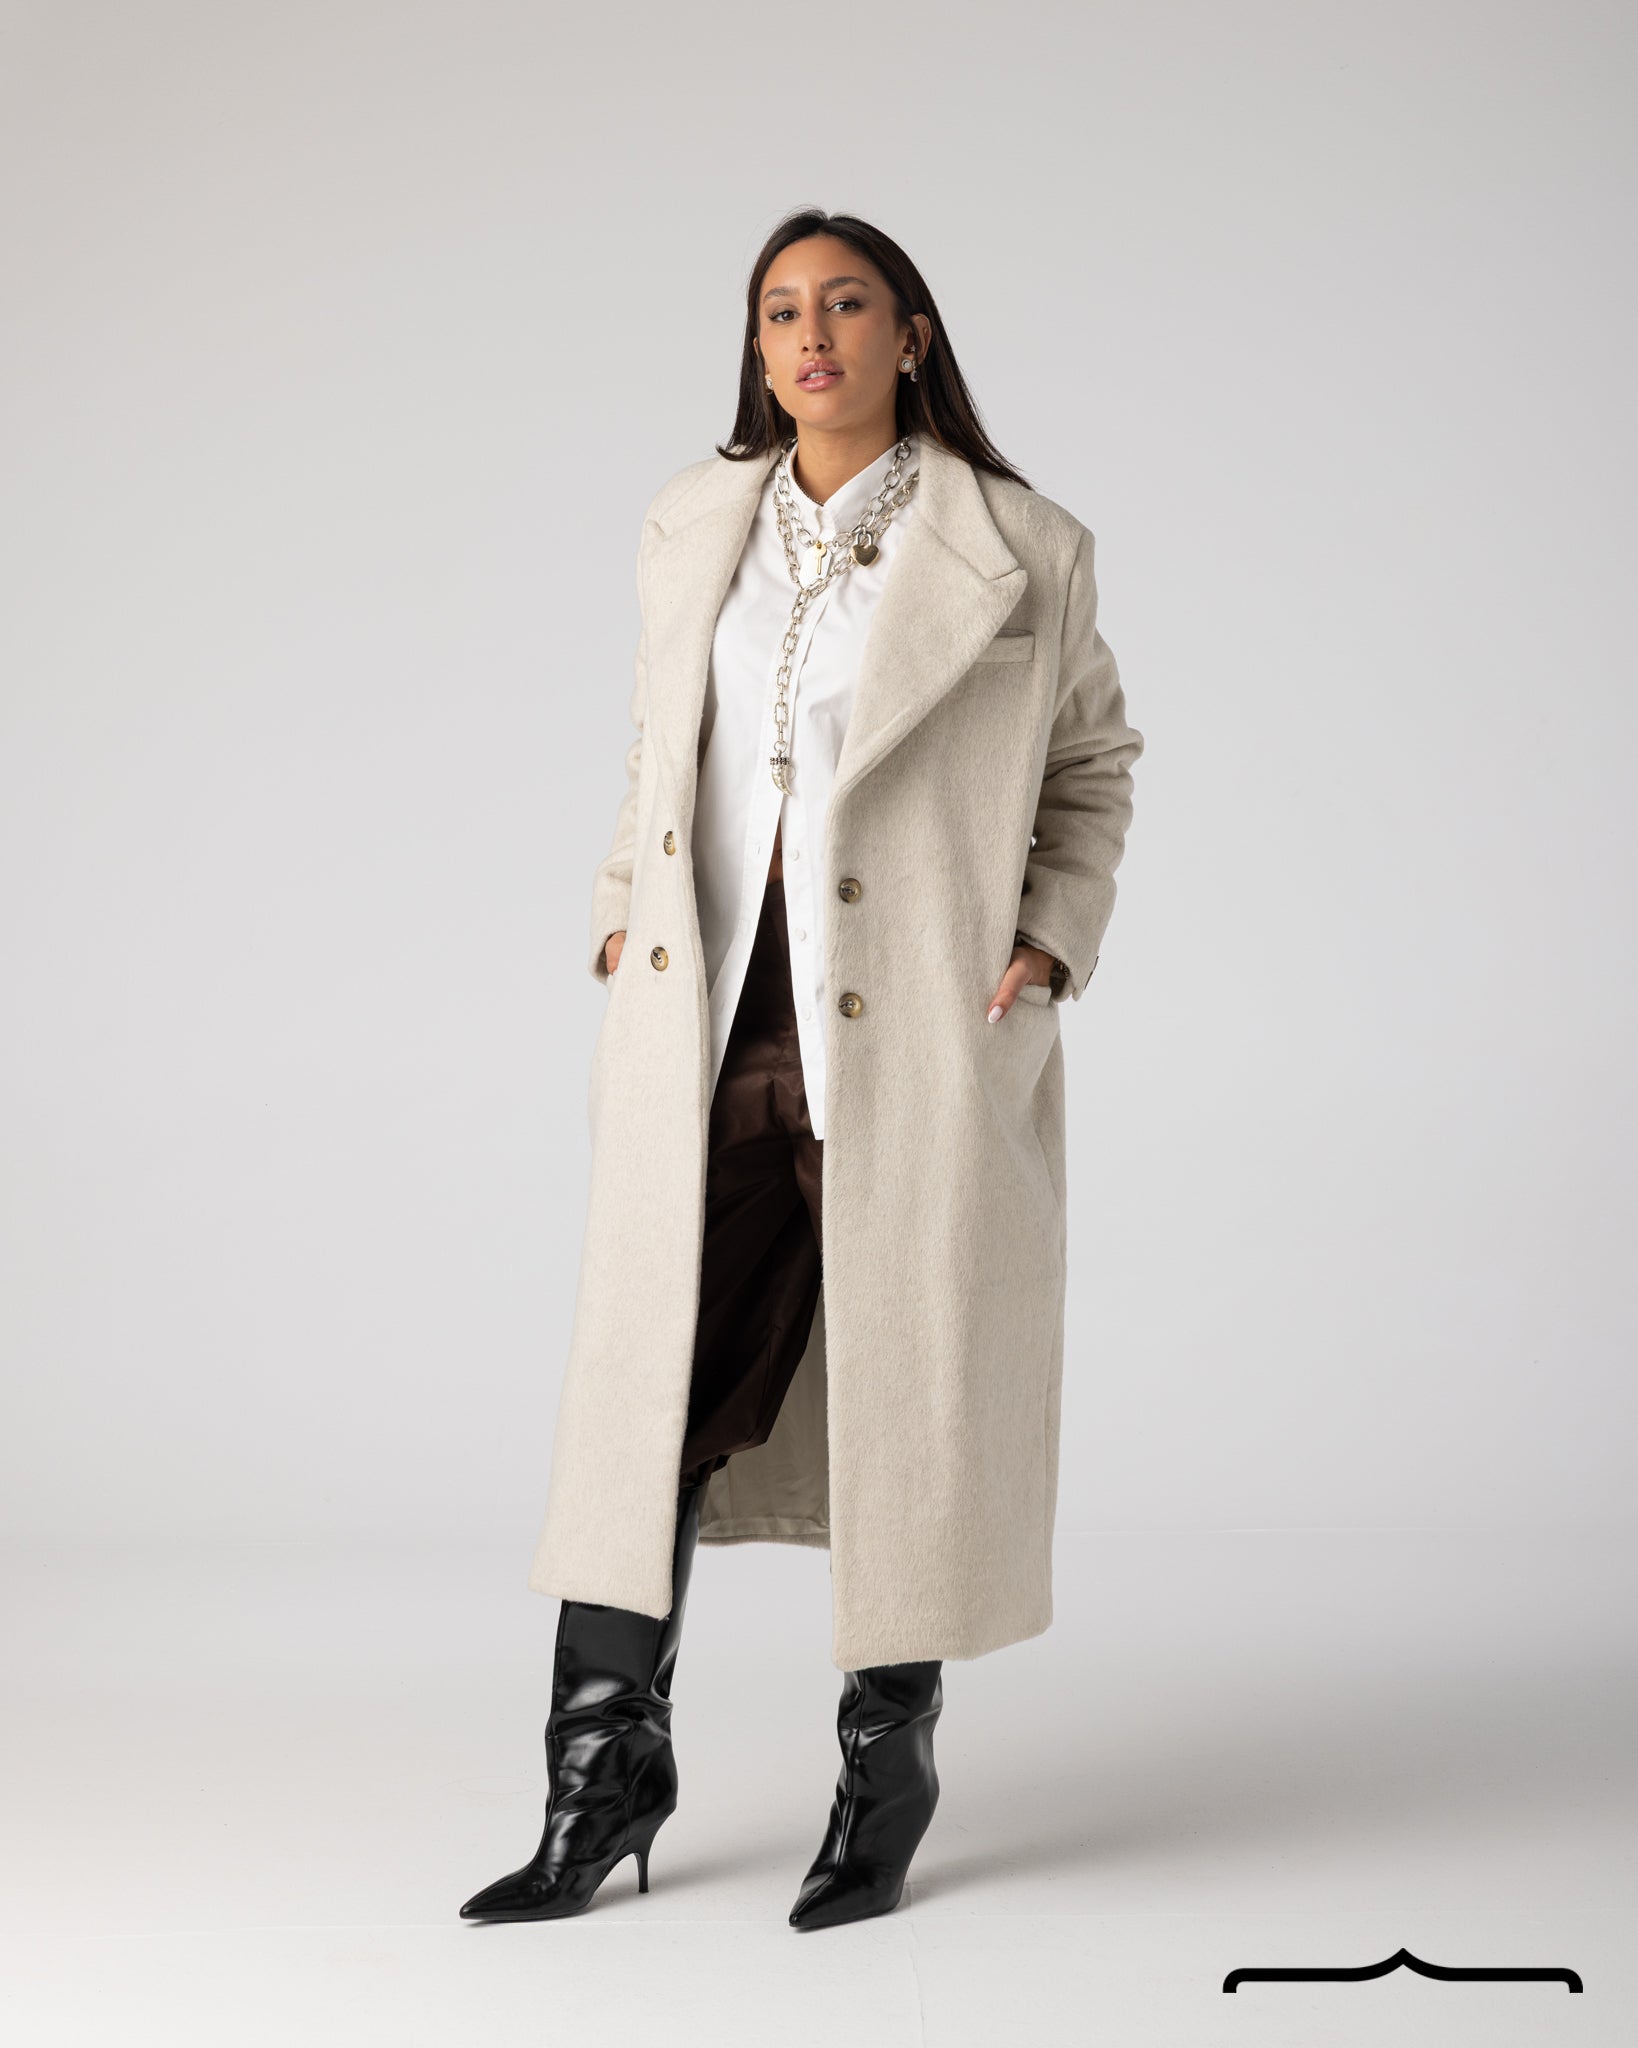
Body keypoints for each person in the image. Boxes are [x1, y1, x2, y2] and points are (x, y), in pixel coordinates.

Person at [461, 207, 1143, 1931]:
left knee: (910, 1394)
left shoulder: (1021, 546)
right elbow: (657, 746)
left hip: (916, 1033)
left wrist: (1049, 936)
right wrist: (617, 907)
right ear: (756, 348)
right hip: (708, 1028)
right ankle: (599, 1779)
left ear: (911, 335)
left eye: (845, 304)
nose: (810, 335)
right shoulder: (691, 521)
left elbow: (1091, 764)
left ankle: (884, 1773)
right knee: (647, 1407)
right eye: (779, 311)